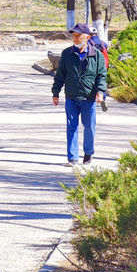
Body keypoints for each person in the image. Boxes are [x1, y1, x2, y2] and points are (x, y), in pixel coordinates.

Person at [51, 23, 107, 166]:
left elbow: (101, 75)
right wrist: (55, 92)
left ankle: (88, 153)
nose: (75, 38)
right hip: (71, 96)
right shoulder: (67, 54)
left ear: (87, 37)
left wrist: (100, 92)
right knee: (71, 126)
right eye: (73, 36)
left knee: (89, 127)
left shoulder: (97, 55)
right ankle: (72, 157)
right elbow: (60, 75)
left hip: (89, 97)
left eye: (78, 35)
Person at [89, 26, 109, 112]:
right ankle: (102, 97)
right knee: (101, 81)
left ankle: (92, 98)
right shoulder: (102, 43)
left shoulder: (88, 42)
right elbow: (106, 48)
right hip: (104, 65)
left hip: (93, 66)